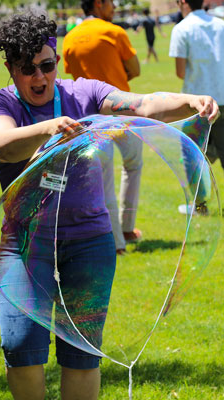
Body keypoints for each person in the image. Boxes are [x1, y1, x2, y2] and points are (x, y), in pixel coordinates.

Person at [0, 12, 219, 400]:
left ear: (56, 58)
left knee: (82, 353)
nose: (39, 78)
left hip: (89, 238)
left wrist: (191, 100)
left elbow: (143, 105)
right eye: (27, 70)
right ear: (10, 68)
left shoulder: (84, 93)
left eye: (46, 65)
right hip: (25, 242)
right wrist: (47, 128)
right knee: (21, 346)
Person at [62, 0, 144, 254]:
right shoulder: (113, 31)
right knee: (133, 165)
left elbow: (71, 75)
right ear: (98, 4)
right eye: (110, 2)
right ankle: (127, 227)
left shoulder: (69, 38)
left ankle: (117, 243)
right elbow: (135, 69)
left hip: (88, 117)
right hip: (120, 111)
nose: (114, 7)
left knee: (103, 178)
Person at [169, 0, 224, 218]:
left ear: (182, 2)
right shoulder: (222, 24)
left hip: (197, 104)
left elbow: (180, 72)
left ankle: (201, 208)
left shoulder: (181, 28)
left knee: (192, 155)